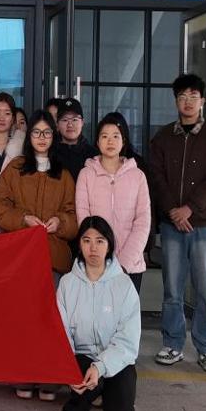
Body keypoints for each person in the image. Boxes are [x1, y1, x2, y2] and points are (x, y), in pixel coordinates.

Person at [0, 110, 78, 400]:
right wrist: (23, 219)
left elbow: (74, 216)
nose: (42, 138)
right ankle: (23, 376)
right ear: (29, 136)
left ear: (54, 137)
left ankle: (49, 379)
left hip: (53, 259)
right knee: (22, 319)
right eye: (37, 132)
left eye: (47, 133)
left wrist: (59, 223)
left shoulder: (63, 174)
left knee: (50, 320)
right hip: (20, 258)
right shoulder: (16, 169)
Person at [149, 73, 206, 375]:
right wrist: (173, 210)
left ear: (203, 100)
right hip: (172, 224)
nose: (188, 102)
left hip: (204, 224)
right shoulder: (162, 138)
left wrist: (189, 209)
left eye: (193, 96)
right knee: (172, 288)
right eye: (182, 96)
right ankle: (172, 343)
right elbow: (156, 178)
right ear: (176, 101)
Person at [54, 216, 139, 411]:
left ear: (109, 245)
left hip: (115, 359)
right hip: (81, 358)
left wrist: (100, 367)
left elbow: (128, 340)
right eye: (87, 241)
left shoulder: (124, 285)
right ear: (79, 245)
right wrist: (68, 369)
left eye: (100, 241)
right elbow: (61, 332)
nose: (93, 248)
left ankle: (106, 396)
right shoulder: (67, 283)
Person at [75, 113, 151, 292]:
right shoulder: (86, 174)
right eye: (104, 136)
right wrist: (100, 257)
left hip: (130, 265)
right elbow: (83, 217)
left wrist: (124, 263)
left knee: (126, 309)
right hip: (96, 263)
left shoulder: (137, 176)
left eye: (116, 136)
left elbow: (143, 221)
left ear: (123, 141)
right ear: (97, 142)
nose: (110, 141)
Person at [54, 97, 98, 181]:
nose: (70, 125)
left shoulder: (93, 155)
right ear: (57, 125)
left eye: (74, 119)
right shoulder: (50, 153)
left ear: (82, 122)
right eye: (65, 120)